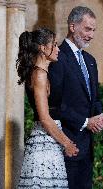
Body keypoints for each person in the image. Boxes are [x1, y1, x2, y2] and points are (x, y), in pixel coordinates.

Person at [48, 6, 103, 189]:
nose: (91, 35)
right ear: (72, 27)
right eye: (88, 29)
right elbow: (55, 104)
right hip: (66, 143)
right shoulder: (57, 57)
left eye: (94, 30)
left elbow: (95, 97)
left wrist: (99, 117)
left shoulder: (90, 60)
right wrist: (84, 121)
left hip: (87, 147)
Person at [16, 27, 79, 188]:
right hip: (43, 147)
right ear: (43, 48)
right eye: (55, 45)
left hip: (50, 143)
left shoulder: (42, 73)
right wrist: (67, 143)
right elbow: (44, 117)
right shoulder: (39, 75)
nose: (58, 49)